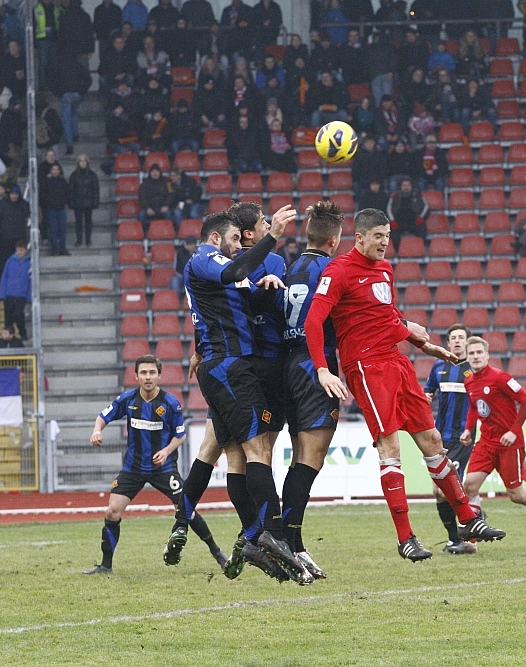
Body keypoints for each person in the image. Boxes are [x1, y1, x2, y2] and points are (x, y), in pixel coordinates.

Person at [304, 208, 505, 561]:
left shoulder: (385, 269)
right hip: (366, 366)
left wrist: (423, 345)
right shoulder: (338, 271)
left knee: (432, 439)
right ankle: (405, 537)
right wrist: (323, 369)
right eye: (378, 236)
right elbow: (313, 322)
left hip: (397, 362)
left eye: (387, 236)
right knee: (390, 447)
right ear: (360, 237)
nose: (384, 243)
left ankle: (467, 517)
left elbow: (388, 316)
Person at [163, 206, 314, 583]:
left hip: (232, 368)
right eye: (232, 239)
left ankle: (250, 534)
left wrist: (264, 290)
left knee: (231, 454)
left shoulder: (234, 267)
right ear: (217, 238)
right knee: (253, 452)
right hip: (230, 368)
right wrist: (272, 236)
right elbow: (232, 273)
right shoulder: (205, 258)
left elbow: (237, 295)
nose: (234, 247)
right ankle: (268, 534)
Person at [85, 355, 227, 576]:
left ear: (159, 375)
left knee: (186, 510)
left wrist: (166, 451)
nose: (148, 377)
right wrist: (97, 430)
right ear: (136, 376)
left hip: (164, 468)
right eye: (143, 373)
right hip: (133, 468)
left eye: (152, 373)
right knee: (112, 511)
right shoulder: (128, 400)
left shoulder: (170, 403)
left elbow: (180, 435)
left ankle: (218, 553)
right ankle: (106, 566)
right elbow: (103, 416)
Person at [269, 201, 345, 575]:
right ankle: (291, 544)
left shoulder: (290, 264)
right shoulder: (331, 269)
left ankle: (293, 543)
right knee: (308, 462)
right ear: (334, 240)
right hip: (316, 365)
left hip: (285, 365)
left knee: (300, 458)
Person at [459, 336, 526, 537]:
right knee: (470, 485)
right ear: (467, 356)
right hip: (486, 442)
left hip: (509, 444)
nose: (475, 356)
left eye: (479, 352)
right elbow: (475, 407)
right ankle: (472, 536)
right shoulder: (469, 382)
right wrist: (468, 429)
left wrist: (513, 430)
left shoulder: (500, 377)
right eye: (471, 353)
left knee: (516, 495)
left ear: (487, 355)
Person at [423, 324, 477, 555]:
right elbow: (428, 392)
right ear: (447, 343)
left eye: (461, 338)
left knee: (446, 489)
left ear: (467, 342)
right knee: (440, 491)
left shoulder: (474, 369)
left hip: (462, 438)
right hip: (438, 437)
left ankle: (466, 532)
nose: (457, 341)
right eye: (453, 338)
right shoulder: (438, 366)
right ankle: (458, 537)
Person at [0, 243, 31, 340]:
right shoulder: (10, 261)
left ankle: (23, 334)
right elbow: (4, 277)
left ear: (25, 251)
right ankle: (8, 336)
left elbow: (30, 281)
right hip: (9, 294)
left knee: (18, 314)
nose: (19, 252)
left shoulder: (29, 263)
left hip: (21, 295)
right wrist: (2, 293)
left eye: (21, 250)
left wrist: (29, 297)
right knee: (8, 317)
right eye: (18, 250)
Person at [68, 155, 99, 247]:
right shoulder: (74, 175)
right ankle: (79, 240)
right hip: (77, 202)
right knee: (78, 223)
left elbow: (96, 190)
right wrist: (71, 202)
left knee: (88, 222)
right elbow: (71, 190)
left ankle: (88, 240)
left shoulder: (92, 175)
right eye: (81, 161)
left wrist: (95, 202)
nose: (83, 163)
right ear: (78, 163)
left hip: (88, 202)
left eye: (84, 161)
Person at [387, 178, 429, 247]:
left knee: (422, 229)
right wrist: (392, 221)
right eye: (404, 185)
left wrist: (421, 218)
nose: (406, 187)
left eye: (408, 185)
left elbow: (426, 207)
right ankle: (397, 250)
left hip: (414, 222)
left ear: (411, 186)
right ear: (400, 187)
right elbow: (389, 209)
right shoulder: (395, 197)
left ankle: (420, 247)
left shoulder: (418, 196)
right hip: (399, 222)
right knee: (392, 232)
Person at [40, 163, 69, 256]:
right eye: (53, 169)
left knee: (62, 230)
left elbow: (67, 193)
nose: (55, 171)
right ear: (51, 171)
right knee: (53, 229)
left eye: (57, 169)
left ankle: (63, 248)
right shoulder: (46, 182)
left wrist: (64, 202)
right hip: (51, 209)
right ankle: (55, 249)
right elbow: (43, 195)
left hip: (61, 208)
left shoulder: (63, 181)